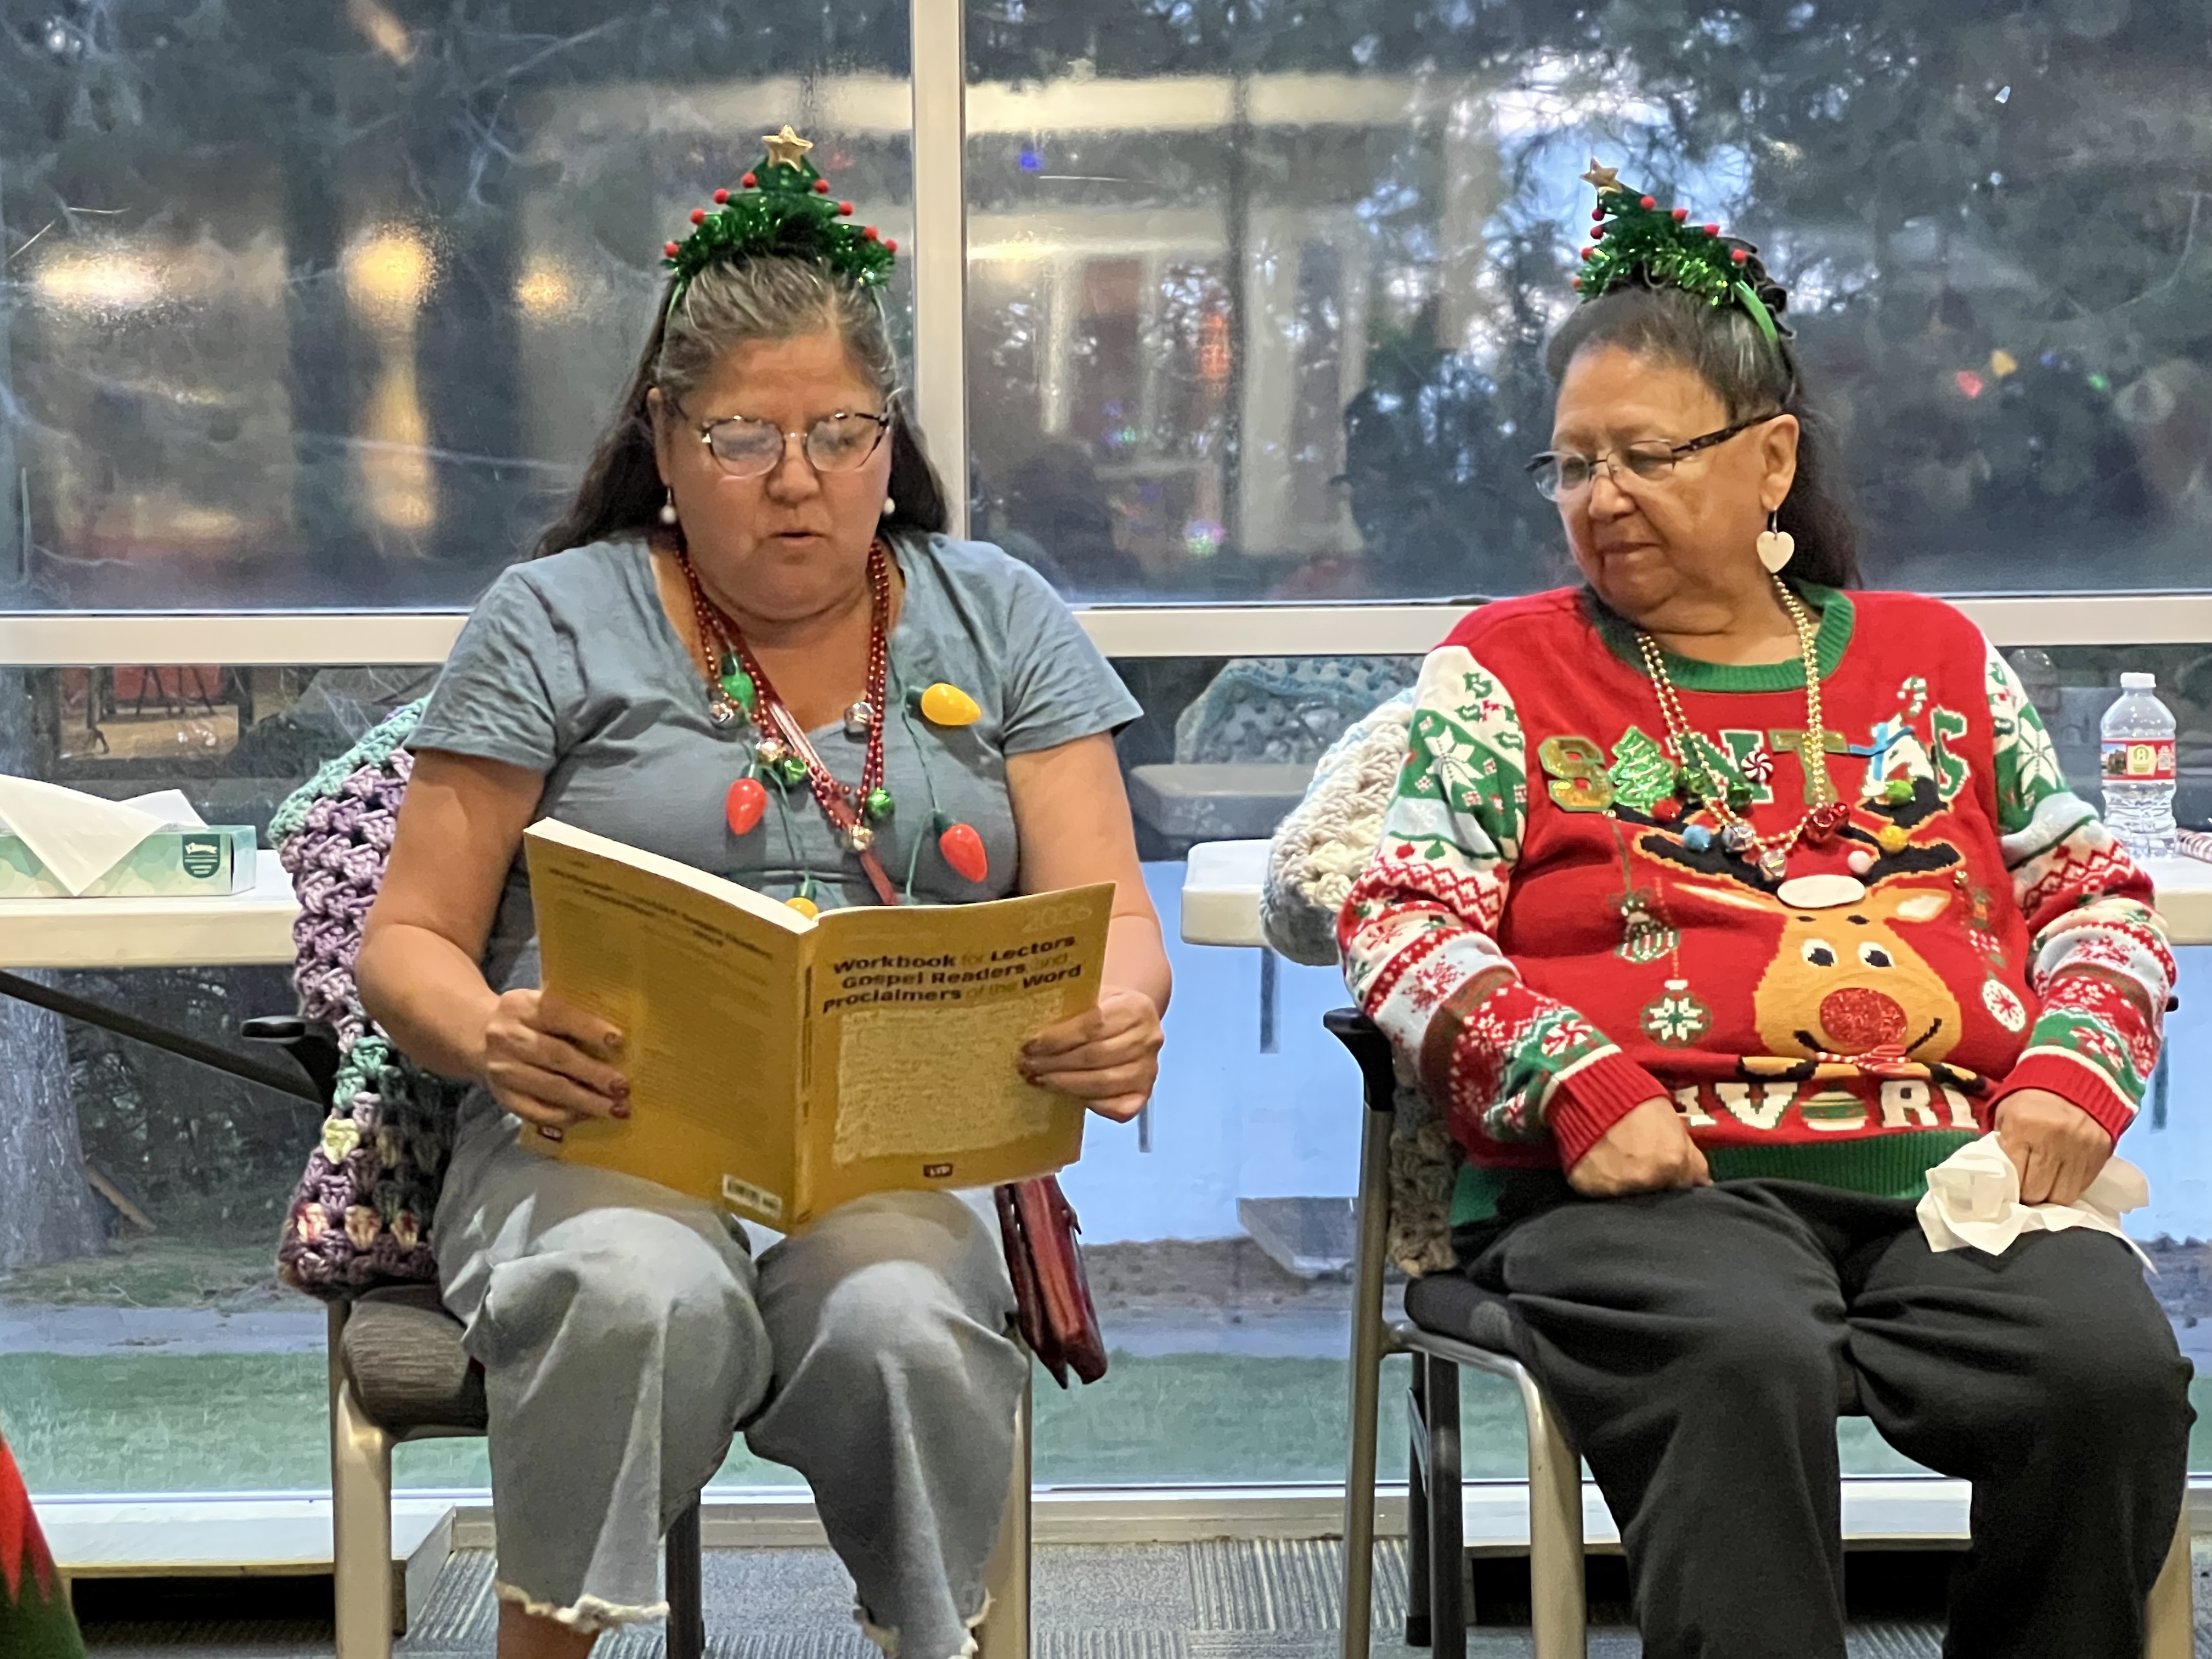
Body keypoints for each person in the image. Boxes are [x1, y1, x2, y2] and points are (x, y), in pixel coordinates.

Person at [1265, 165, 2190, 1658]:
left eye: (1644, 456)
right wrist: (1578, 1084)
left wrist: (2075, 1073)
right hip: (1649, 1192)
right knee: (1741, 1351)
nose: (1602, 497)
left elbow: (2094, 894)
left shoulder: (1935, 661)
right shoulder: (1506, 670)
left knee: (2105, 1370)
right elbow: (1401, 919)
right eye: (1573, 466)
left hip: (1946, 1178)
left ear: (1771, 462)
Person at [355, 129, 1170, 1659]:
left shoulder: (999, 616)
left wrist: (1121, 1011)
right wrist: (490, 1031)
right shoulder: (552, 620)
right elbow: (406, 942)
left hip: (890, 1159)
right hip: (598, 1136)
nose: (797, 482)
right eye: (741, 440)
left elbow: (1114, 915)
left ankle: (931, 1637)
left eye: (840, 434)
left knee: (903, 1321)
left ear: (890, 442)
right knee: (633, 1292)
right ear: (665, 445)